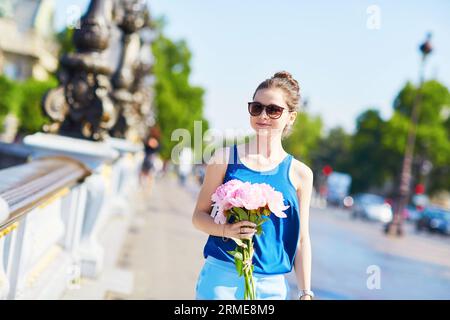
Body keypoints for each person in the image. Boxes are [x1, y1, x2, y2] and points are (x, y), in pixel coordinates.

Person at [192, 71, 314, 300]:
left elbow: (301, 239)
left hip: (271, 287)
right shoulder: (224, 158)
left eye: (274, 109)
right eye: (256, 107)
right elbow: (198, 216)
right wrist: (225, 230)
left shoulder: (301, 174)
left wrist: (305, 292)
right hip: (222, 281)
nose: (263, 115)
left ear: (291, 116)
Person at [139, 125, 161, 190]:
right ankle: (148, 188)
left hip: (148, 158)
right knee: (149, 174)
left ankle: (143, 186)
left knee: (144, 173)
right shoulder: (155, 140)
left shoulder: (151, 139)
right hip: (151, 158)